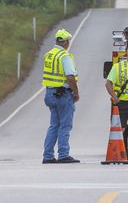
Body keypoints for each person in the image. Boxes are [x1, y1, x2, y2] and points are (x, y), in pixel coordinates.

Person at [42, 28, 80, 164]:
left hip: (50, 93)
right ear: (66, 42)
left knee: (54, 125)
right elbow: (70, 77)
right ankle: (63, 154)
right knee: (65, 125)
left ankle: (47, 156)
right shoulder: (64, 56)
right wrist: (76, 92)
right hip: (63, 94)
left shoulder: (49, 55)